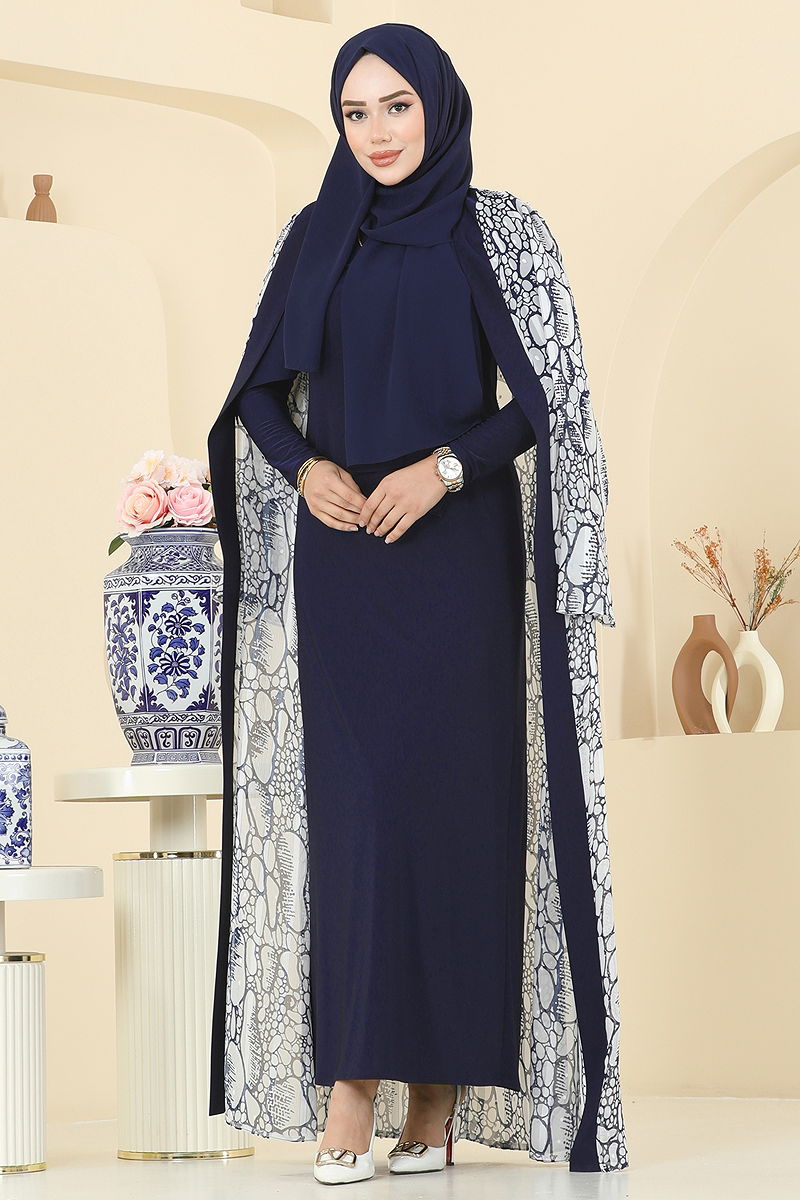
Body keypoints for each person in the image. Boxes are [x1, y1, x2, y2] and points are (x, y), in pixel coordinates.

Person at [207, 21, 627, 1184]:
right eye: (355, 112)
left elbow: (545, 399)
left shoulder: (501, 232)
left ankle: (433, 1099)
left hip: (457, 564)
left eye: (396, 106)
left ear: (437, 105)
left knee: (454, 819)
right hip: (345, 564)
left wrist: (441, 469)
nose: (377, 132)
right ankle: (352, 1087)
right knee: (357, 820)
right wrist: (305, 469)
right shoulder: (314, 236)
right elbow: (257, 394)